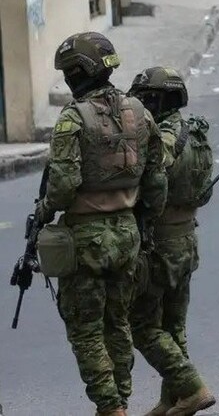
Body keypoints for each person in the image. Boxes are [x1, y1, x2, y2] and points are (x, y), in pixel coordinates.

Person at [35, 32, 167, 416]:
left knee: (86, 329)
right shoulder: (139, 112)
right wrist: (143, 221)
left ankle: (111, 408)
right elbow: (156, 181)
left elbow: (62, 186)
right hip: (127, 234)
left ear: (78, 72)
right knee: (118, 323)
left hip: (86, 238)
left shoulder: (73, 118)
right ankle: (120, 400)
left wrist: (44, 211)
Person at [127, 67, 216, 416]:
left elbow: (144, 182)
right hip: (186, 238)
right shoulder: (194, 133)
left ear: (154, 100)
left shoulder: (160, 140)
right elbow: (204, 192)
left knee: (143, 326)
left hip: (159, 242)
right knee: (173, 324)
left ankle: (192, 388)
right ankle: (173, 399)